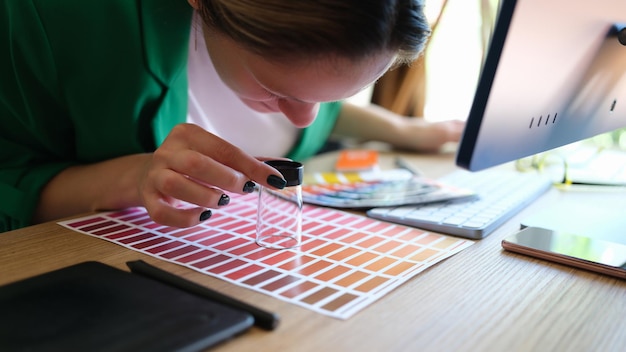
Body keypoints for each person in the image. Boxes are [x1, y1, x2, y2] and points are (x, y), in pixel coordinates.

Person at [0, 0, 463, 232]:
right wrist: (135, 177)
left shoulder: (317, 59)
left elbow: (320, 103)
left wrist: (403, 130)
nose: (305, 120)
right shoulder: (48, 20)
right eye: (275, 90)